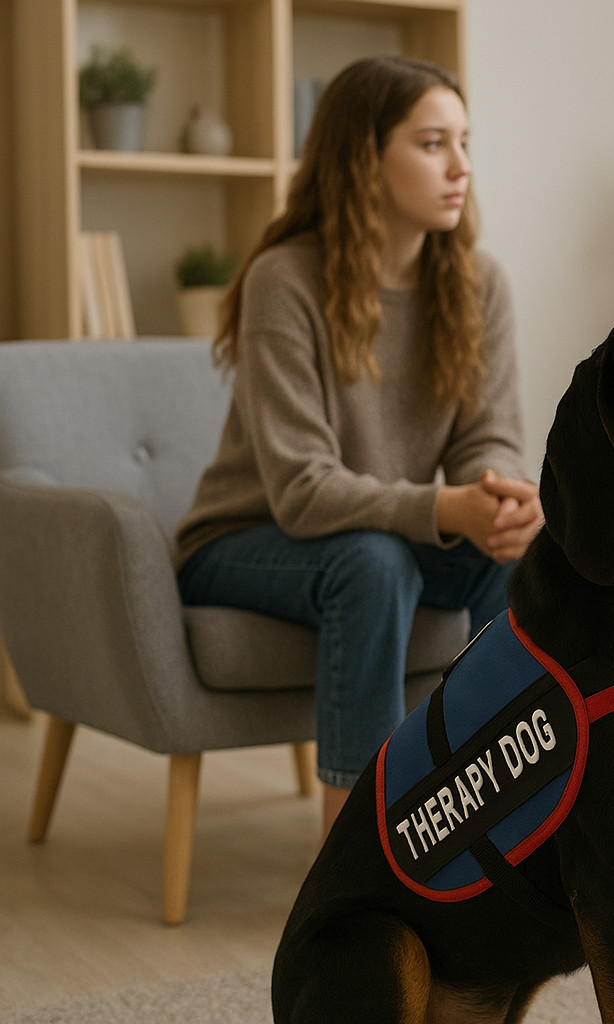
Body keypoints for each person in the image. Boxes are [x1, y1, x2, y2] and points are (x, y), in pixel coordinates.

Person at [173, 55, 543, 837]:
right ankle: (360, 856)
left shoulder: (479, 283)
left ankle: (502, 810)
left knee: (515, 554)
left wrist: (504, 500)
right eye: (433, 143)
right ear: (363, 160)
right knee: (372, 563)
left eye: (464, 143)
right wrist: (446, 506)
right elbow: (304, 491)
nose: (461, 167)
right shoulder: (285, 280)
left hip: (384, 531)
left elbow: (492, 436)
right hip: (248, 537)